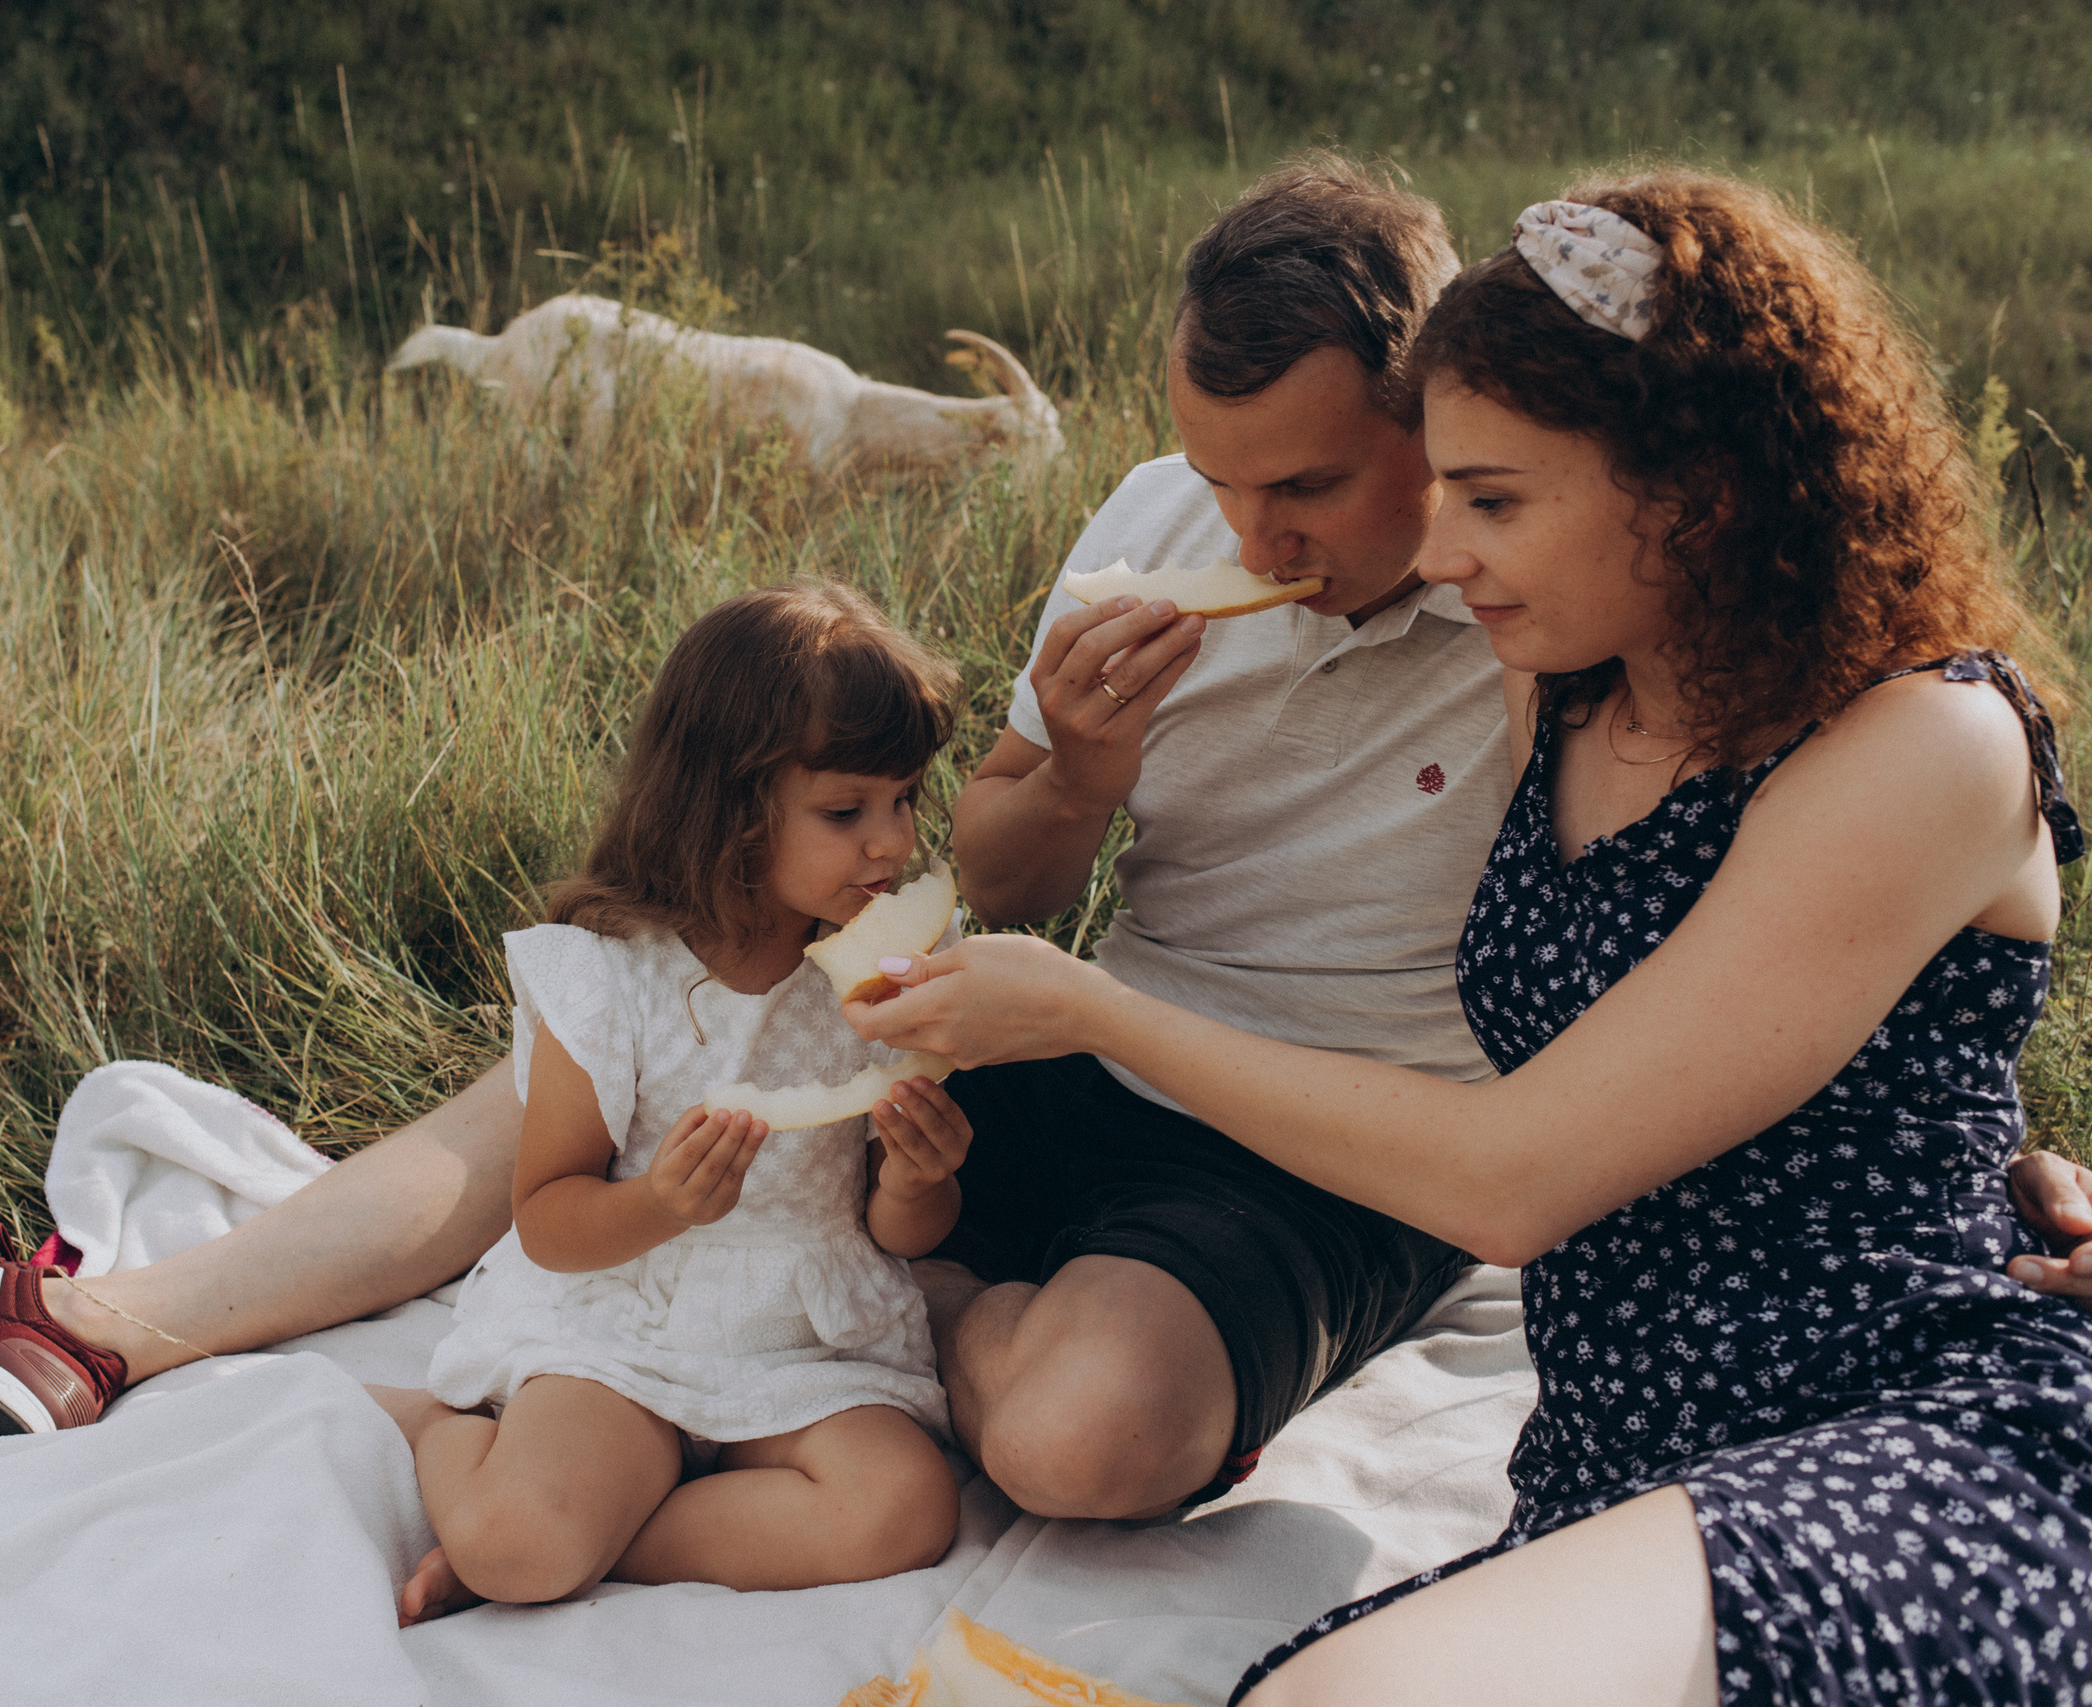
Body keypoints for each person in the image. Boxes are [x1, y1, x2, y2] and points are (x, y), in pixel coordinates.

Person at [0, 155, 2092, 1491]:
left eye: (1324, 482)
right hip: (1066, 1023)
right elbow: (997, 880)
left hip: (1354, 1143)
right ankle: (115, 1326)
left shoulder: (1560, 611)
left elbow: (1767, 923)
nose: (1258, 528)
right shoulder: (1154, 528)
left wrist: (1995, 1148)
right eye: (1218, 476)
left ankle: (884, 1319)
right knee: (633, 1039)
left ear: (1452, 420)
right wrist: (1063, 773)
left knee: (1081, 1440)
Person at [848, 175, 2092, 1704]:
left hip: (1889, 1411)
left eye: (1487, 500)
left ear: (1698, 491)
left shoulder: (1930, 741)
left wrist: (1098, 1012)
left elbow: (1516, 1178)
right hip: (1625, 1448)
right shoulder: (1570, 685)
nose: (1441, 553)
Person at [361, 584, 972, 1624]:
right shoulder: (610, 980)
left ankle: (597, 1525)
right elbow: (548, 1222)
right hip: (624, 1322)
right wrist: (662, 1204)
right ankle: (449, 1434)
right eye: (845, 812)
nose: (890, 845)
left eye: (904, 800)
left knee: (904, 1510)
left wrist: (921, 1179)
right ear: (729, 806)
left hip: (802, 1338)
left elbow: (896, 1229)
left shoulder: (890, 978)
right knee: (520, 1549)